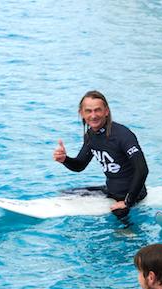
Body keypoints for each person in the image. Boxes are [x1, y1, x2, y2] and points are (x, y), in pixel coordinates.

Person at [53, 90, 148, 218]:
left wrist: (127, 201)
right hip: (111, 190)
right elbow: (79, 165)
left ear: (106, 111)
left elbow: (142, 169)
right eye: (88, 111)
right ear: (81, 113)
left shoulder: (123, 135)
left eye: (97, 110)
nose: (93, 115)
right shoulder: (91, 136)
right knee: (68, 193)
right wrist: (65, 159)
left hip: (131, 194)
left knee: (120, 216)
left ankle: (130, 234)